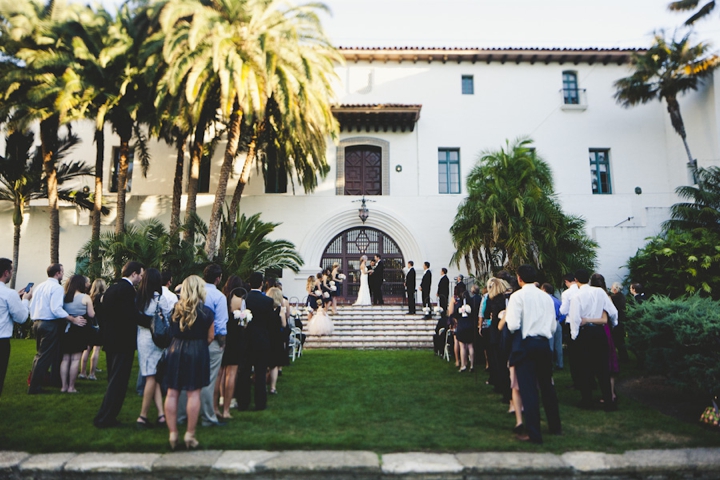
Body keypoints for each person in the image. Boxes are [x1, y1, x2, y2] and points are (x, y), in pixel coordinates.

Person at [504, 264, 562, 444]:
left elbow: (512, 325)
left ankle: (534, 433)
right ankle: (555, 426)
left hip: (526, 344)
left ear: (519, 278)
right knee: (547, 386)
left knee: (528, 389)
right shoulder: (546, 297)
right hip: (544, 344)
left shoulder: (517, 296)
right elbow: (553, 325)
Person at [93, 261, 148, 428]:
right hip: (123, 342)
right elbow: (131, 315)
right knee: (119, 381)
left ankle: (106, 416)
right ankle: (105, 418)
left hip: (111, 340)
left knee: (114, 379)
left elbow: (101, 311)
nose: (141, 278)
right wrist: (152, 321)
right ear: (133, 274)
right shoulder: (126, 290)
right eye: (140, 274)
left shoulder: (112, 288)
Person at [163, 275, 215, 450]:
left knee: (172, 392)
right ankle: (190, 434)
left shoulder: (175, 310)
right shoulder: (207, 312)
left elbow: (171, 331)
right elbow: (211, 337)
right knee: (193, 394)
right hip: (197, 350)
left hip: (175, 349)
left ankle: (173, 433)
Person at [178, 264, 228, 427]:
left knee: (186, 379)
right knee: (208, 380)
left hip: (186, 343)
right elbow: (220, 325)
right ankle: (208, 417)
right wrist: (221, 344)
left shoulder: (191, 294)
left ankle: (181, 416)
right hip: (210, 342)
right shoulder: (219, 297)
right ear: (218, 278)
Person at [28, 263, 85, 395]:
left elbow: (32, 306)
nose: (63, 274)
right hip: (50, 324)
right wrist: (73, 319)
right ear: (58, 273)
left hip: (37, 323)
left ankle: (49, 381)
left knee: (40, 355)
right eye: (62, 272)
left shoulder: (39, 286)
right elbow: (56, 309)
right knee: (44, 356)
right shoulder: (57, 288)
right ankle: (35, 387)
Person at [567, 269, 618, 411]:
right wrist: (613, 324)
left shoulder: (576, 297)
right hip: (599, 332)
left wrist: (574, 335)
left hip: (585, 332)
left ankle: (587, 400)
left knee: (584, 367)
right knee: (602, 367)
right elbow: (612, 311)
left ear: (576, 280)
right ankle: (609, 401)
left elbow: (575, 318)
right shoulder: (600, 292)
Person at [135, 268, 173, 428]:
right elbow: (169, 319)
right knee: (152, 376)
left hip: (143, 338)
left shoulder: (139, 298)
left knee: (151, 375)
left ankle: (152, 415)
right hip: (156, 339)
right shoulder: (160, 299)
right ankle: (151, 415)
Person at [238, 272, 273, 411]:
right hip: (262, 339)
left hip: (247, 339)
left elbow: (242, 319)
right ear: (262, 284)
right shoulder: (268, 301)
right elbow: (270, 322)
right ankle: (260, 403)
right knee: (260, 371)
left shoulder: (244, 298)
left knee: (245, 371)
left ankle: (243, 402)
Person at [60, 275, 95, 393]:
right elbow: (91, 314)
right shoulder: (85, 297)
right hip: (79, 330)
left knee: (65, 359)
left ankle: (63, 386)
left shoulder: (64, 297)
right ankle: (71, 387)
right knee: (75, 359)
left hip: (66, 329)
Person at [0, 258, 29, 396]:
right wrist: (25, 301)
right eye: (11, 271)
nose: (11, 274)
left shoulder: (10, 295)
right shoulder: (8, 294)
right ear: (6, 272)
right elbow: (22, 318)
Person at [589, 274, 619, 404]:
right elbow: (613, 313)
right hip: (606, 328)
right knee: (608, 362)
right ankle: (611, 392)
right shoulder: (606, 296)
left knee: (603, 362)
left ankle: (609, 393)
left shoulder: (591, 296)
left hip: (598, 328)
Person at [219, 275, 245, 419]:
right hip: (236, 337)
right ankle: (229, 404)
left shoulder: (222, 298)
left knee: (221, 371)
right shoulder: (240, 301)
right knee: (232, 373)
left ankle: (221, 398)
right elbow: (244, 322)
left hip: (223, 336)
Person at [484, 276, 511, 401]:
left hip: (496, 332)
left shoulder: (493, 300)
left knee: (498, 360)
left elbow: (487, 315)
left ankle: (501, 385)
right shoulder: (506, 298)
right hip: (504, 331)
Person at [79, 279, 106, 381]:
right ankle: (92, 373)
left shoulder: (89, 297)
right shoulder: (102, 298)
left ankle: (82, 372)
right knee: (96, 349)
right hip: (99, 326)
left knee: (87, 349)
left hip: (89, 326)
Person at [559, 272, 581, 388]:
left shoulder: (567, 293)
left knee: (574, 354)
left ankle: (577, 381)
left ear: (566, 282)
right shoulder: (582, 290)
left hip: (571, 322)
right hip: (584, 322)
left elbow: (563, 310)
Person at [267, 287, 289, 394]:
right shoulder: (280, 310)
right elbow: (284, 324)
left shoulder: (266, 309)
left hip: (267, 336)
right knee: (274, 364)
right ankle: (272, 387)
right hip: (276, 338)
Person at [449, 283, 474, 372]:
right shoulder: (471, 302)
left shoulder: (458, 302)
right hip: (470, 324)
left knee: (462, 345)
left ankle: (463, 365)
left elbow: (453, 313)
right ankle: (472, 365)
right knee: (470, 345)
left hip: (461, 324)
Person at [541, 283, 564, 370]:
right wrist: (559, 320)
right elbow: (563, 313)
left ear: (544, 290)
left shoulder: (543, 300)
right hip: (557, 322)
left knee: (549, 345)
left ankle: (549, 365)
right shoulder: (557, 300)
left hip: (548, 323)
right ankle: (560, 364)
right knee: (558, 345)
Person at [610, 282, 629, 363]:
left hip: (616, 319)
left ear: (615, 289)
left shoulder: (614, 298)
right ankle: (624, 357)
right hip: (621, 319)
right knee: (620, 340)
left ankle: (619, 358)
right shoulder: (622, 296)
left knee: (616, 340)